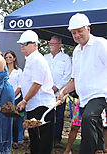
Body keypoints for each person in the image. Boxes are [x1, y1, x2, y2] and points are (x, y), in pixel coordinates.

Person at [57, 13, 107, 154]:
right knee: (92, 133)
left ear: (88, 29)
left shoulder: (100, 44)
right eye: (74, 32)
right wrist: (63, 92)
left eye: (80, 31)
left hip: (100, 95)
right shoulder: (77, 51)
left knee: (88, 118)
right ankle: (99, 150)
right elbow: (75, 80)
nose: (77, 35)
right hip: (84, 99)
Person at [16, 30, 56, 154]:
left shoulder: (37, 60)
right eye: (21, 43)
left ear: (34, 44)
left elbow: (37, 84)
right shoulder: (31, 59)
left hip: (42, 106)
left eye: (25, 43)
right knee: (35, 141)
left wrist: (24, 100)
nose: (22, 45)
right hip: (35, 106)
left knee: (42, 142)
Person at [44, 35, 72, 148]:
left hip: (60, 93)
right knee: (46, 115)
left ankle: (57, 139)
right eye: (50, 43)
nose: (51, 45)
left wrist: (57, 87)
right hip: (46, 92)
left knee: (59, 117)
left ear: (59, 45)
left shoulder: (66, 58)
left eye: (53, 43)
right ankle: (47, 138)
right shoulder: (45, 57)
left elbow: (68, 75)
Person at [4, 50, 25, 149]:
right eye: (6, 57)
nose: (8, 59)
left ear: (14, 58)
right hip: (4, 99)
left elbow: (20, 86)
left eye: (10, 57)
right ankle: (6, 139)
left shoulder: (19, 71)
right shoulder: (3, 70)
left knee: (15, 121)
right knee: (5, 120)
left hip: (16, 98)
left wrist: (12, 96)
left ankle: (15, 140)